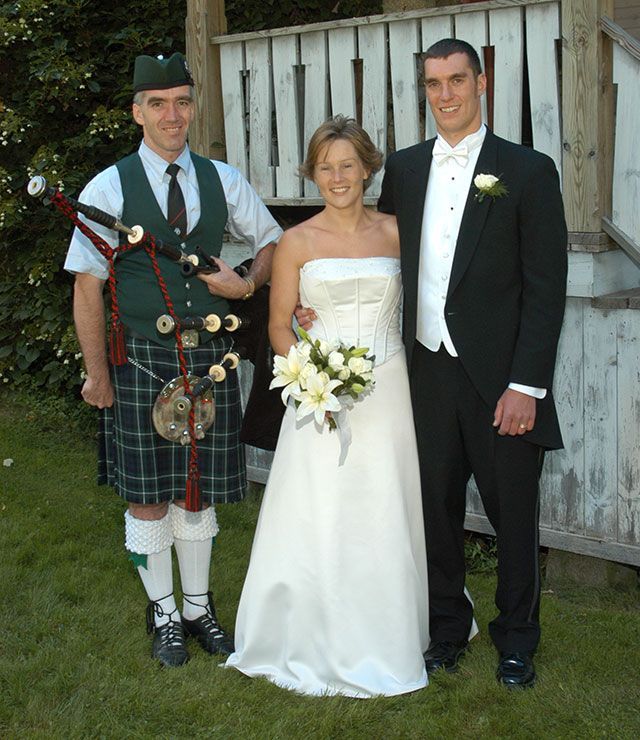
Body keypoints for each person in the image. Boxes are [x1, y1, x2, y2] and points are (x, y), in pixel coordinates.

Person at [64, 52, 282, 667]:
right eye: (157, 103)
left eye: (182, 101)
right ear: (137, 111)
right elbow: (86, 286)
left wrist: (243, 282)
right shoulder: (108, 188)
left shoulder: (222, 179)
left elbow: (271, 240)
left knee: (198, 493)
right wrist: (97, 374)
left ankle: (198, 608)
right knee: (148, 495)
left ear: (193, 107)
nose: (171, 115)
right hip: (140, 365)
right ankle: (164, 612)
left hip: (207, 363)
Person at [376, 39, 568, 688]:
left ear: (481, 84)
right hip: (425, 371)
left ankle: (516, 641)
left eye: (457, 80)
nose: (446, 95)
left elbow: (546, 288)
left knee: (514, 518)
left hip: (501, 379)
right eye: (433, 84)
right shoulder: (402, 171)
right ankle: (445, 630)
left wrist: (526, 385)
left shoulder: (528, 170)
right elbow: (384, 268)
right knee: (434, 511)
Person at [225, 116, 429, 697]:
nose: (337, 177)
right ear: (311, 174)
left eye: (347, 165)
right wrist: (319, 374)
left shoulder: (396, 232)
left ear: (368, 168)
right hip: (320, 394)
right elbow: (278, 326)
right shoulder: (297, 242)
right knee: (319, 506)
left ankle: (394, 629)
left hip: (388, 387)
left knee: (386, 502)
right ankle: (308, 631)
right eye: (325, 167)